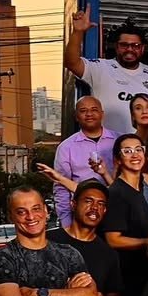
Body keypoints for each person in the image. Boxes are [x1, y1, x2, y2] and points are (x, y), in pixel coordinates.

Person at [65, 11, 148, 135]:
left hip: (139, 147)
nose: (129, 49)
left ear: (142, 48)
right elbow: (71, 63)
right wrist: (78, 32)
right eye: (124, 45)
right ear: (116, 47)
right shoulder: (101, 67)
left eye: (135, 45)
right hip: (107, 145)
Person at [101, 133, 148, 296]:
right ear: (118, 159)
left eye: (139, 149)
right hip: (126, 274)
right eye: (128, 151)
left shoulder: (139, 188)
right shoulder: (117, 193)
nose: (135, 154)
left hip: (141, 270)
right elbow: (113, 239)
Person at [52, 96, 117, 228]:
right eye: (83, 111)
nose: (89, 114)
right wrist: (66, 223)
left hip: (117, 211)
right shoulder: (66, 147)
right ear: (76, 116)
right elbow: (61, 188)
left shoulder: (119, 141)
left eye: (94, 110)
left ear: (102, 114)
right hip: (83, 218)